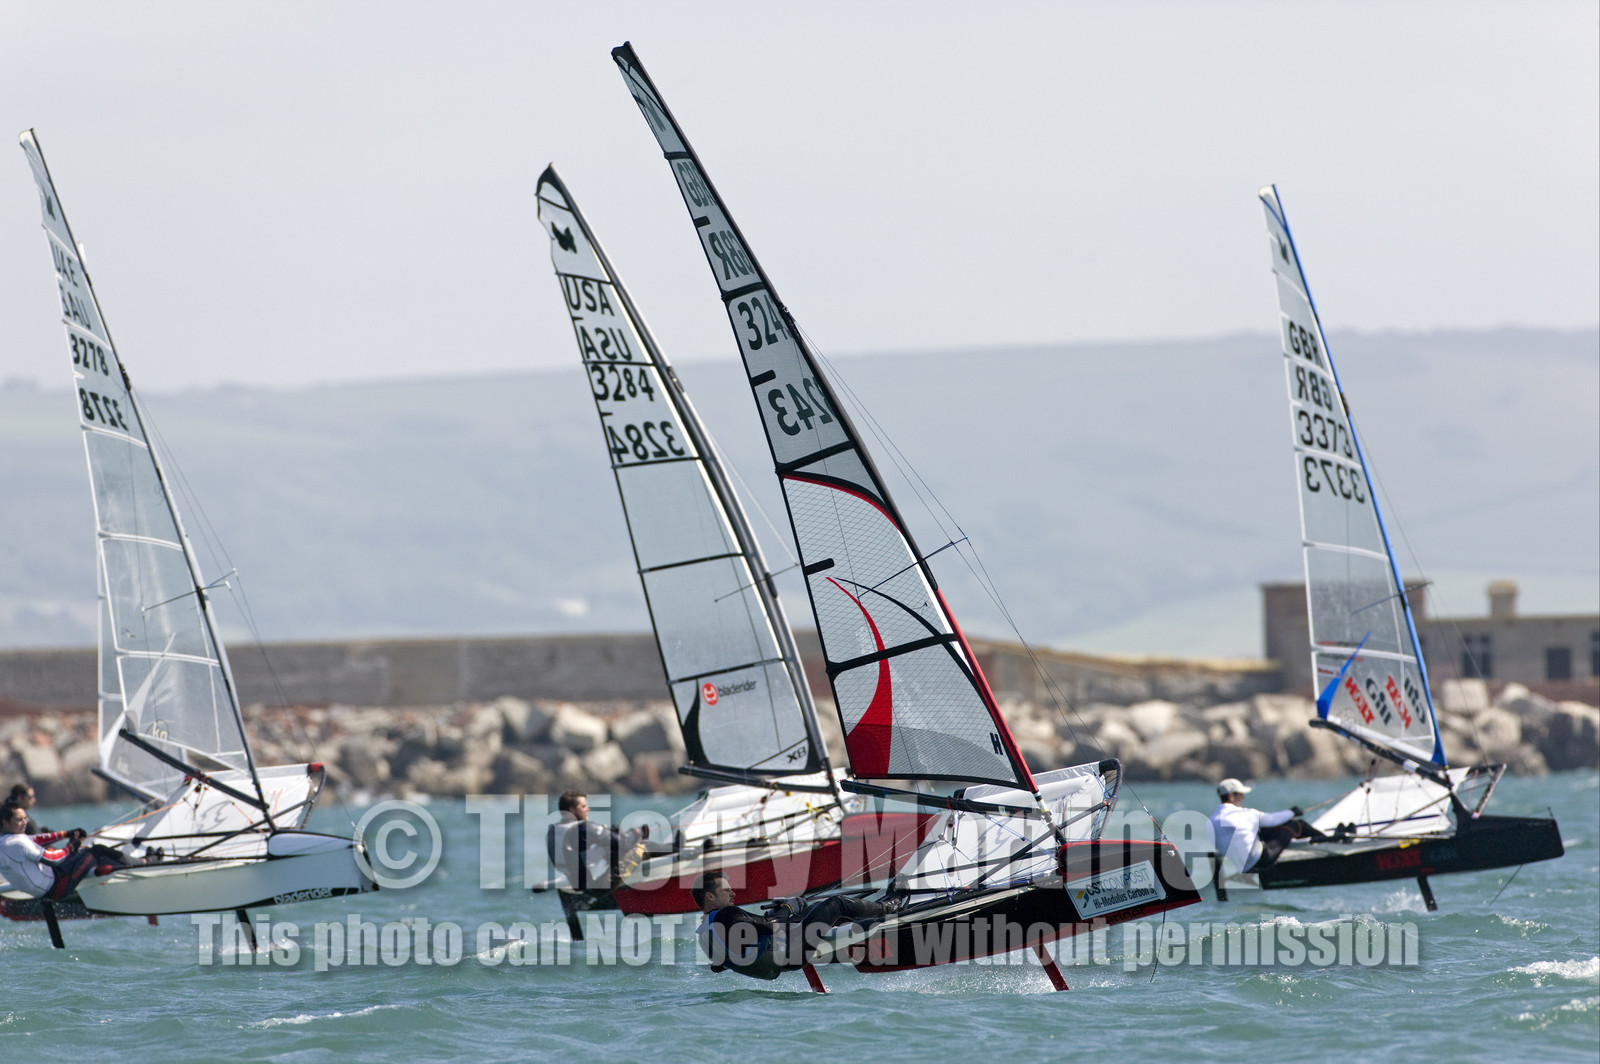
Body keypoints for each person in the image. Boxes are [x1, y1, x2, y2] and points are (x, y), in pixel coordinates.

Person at [691, 870, 899, 981]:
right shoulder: (726, 914)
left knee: (813, 911)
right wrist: (788, 908)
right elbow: (771, 926)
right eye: (726, 890)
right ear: (710, 896)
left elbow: (719, 966)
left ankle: (861, 921)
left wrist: (780, 913)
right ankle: (888, 908)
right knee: (836, 903)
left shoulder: (704, 933)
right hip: (791, 952)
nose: (733, 893)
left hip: (780, 965)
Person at [0, 802, 144, 901]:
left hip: (45, 889)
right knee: (97, 851)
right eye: (19, 819)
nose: (25, 822)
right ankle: (141, 863)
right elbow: (53, 859)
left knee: (83, 853)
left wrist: (66, 834)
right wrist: (71, 846)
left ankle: (105, 870)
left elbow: (35, 839)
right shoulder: (18, 842)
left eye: (25, 818)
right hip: (58, 886)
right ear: (5, 822)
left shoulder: (6, 841)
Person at [1209, 778, 1330, 874]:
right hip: (1262, 860)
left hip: (1239, 867)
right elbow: (1272, 820)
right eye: (1241, 794)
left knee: (1260, 830)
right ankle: (1330, 841)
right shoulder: (1246, 814)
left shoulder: (1211, 821)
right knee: (1297, 825)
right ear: (1231, 796)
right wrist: (1293, 812)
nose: (1243, 797)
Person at [547, 791, 663, 891]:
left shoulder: (553, 832)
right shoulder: (584, 828)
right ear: (572, 810)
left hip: (578, 885)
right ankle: (673, 853)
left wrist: (612, 835)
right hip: (601, 885)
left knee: (615, 849)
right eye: (583, 806)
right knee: (641, 847)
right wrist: (637, 832)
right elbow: (622, 843)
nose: (588, 809)